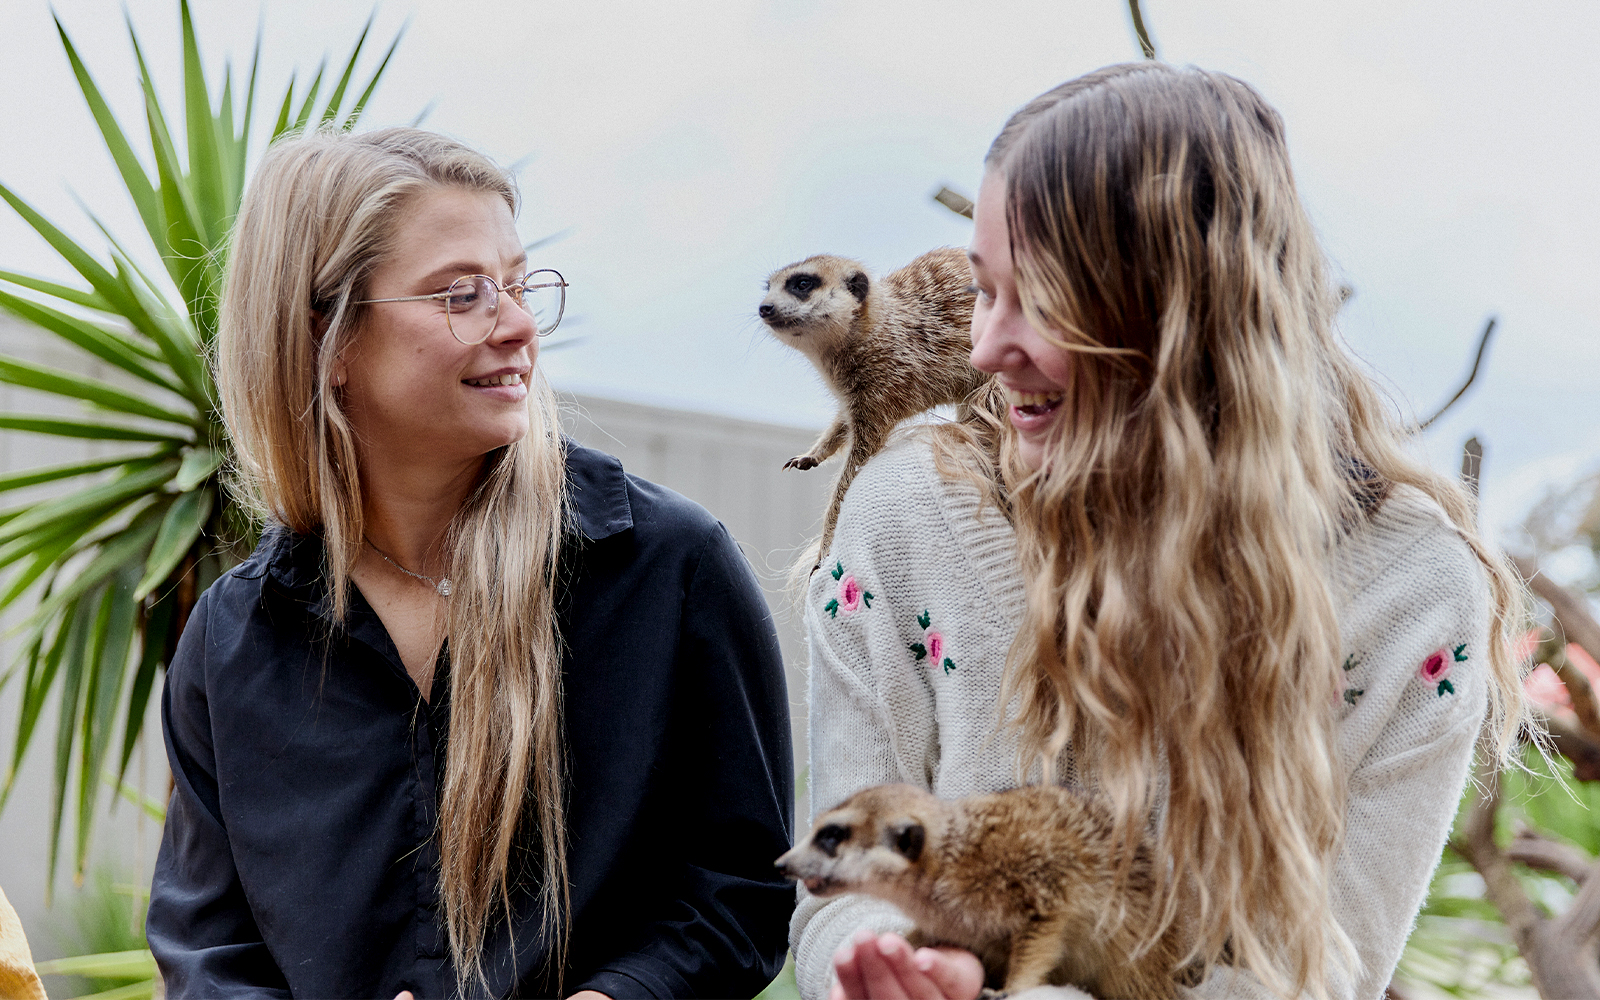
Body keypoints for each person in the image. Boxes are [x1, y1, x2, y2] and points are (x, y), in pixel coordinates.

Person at [790, 64, 1528, 1000]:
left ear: (1190, 318)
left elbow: (1319, 969)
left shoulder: (1411, 591)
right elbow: (834, 891)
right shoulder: (905, 511)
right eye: (985, 291)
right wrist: (878, 968)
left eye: (1043, 299)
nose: (985, 349)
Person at [146, 127, 796, 999]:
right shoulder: (232, 642)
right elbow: (206, 954)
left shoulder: (670, 570)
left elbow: (741, 890)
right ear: (326, 342)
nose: (521, 326)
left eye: (521, 286)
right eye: (463, 295)